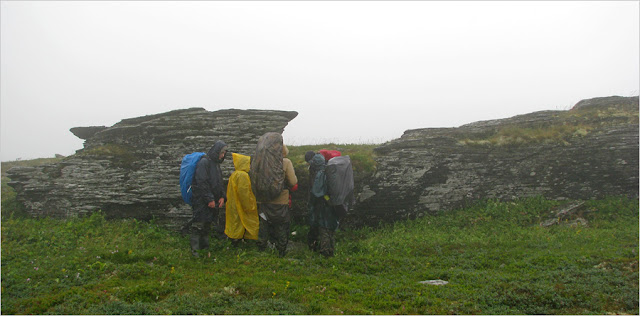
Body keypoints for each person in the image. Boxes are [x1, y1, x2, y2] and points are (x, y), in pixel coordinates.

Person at [257, 144, 298, 257]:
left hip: (264, 200)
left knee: (263, 225)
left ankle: (261, 249)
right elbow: (293, 182)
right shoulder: (286, 162)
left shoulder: (262, 162)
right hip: (280, 201)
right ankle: (281, 251)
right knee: (281, 225)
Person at [189, 140, 228, 257]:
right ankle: (195, 251)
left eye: (224, 153)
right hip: (201, 201)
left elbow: (219, 183)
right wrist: (209, 199)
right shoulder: (204, 162)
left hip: (211, 201)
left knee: (207, 224)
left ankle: (204, 249)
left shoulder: (216, 164)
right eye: (222, 153)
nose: (223, 156)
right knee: (198, 224)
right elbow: (202, 182)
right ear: (216, 152)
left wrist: (222, 197)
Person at [306, 151, 340, 257]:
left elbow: (317, 192)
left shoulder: (320, 172)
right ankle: (331, 250)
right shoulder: (329, 167)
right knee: (330, 227)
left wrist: (313, 203)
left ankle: (325, 253)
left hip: (323, 204)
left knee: (323, 227)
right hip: (332, 202)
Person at [225, 153, 259, 244]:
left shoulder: (234, 174)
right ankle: (237, 243)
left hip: (233, 203)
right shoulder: (243, 175)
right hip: (239, 205)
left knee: (234, 224)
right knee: (240, 223)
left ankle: (233, 241)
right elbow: (244, 193)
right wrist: (249, 206)